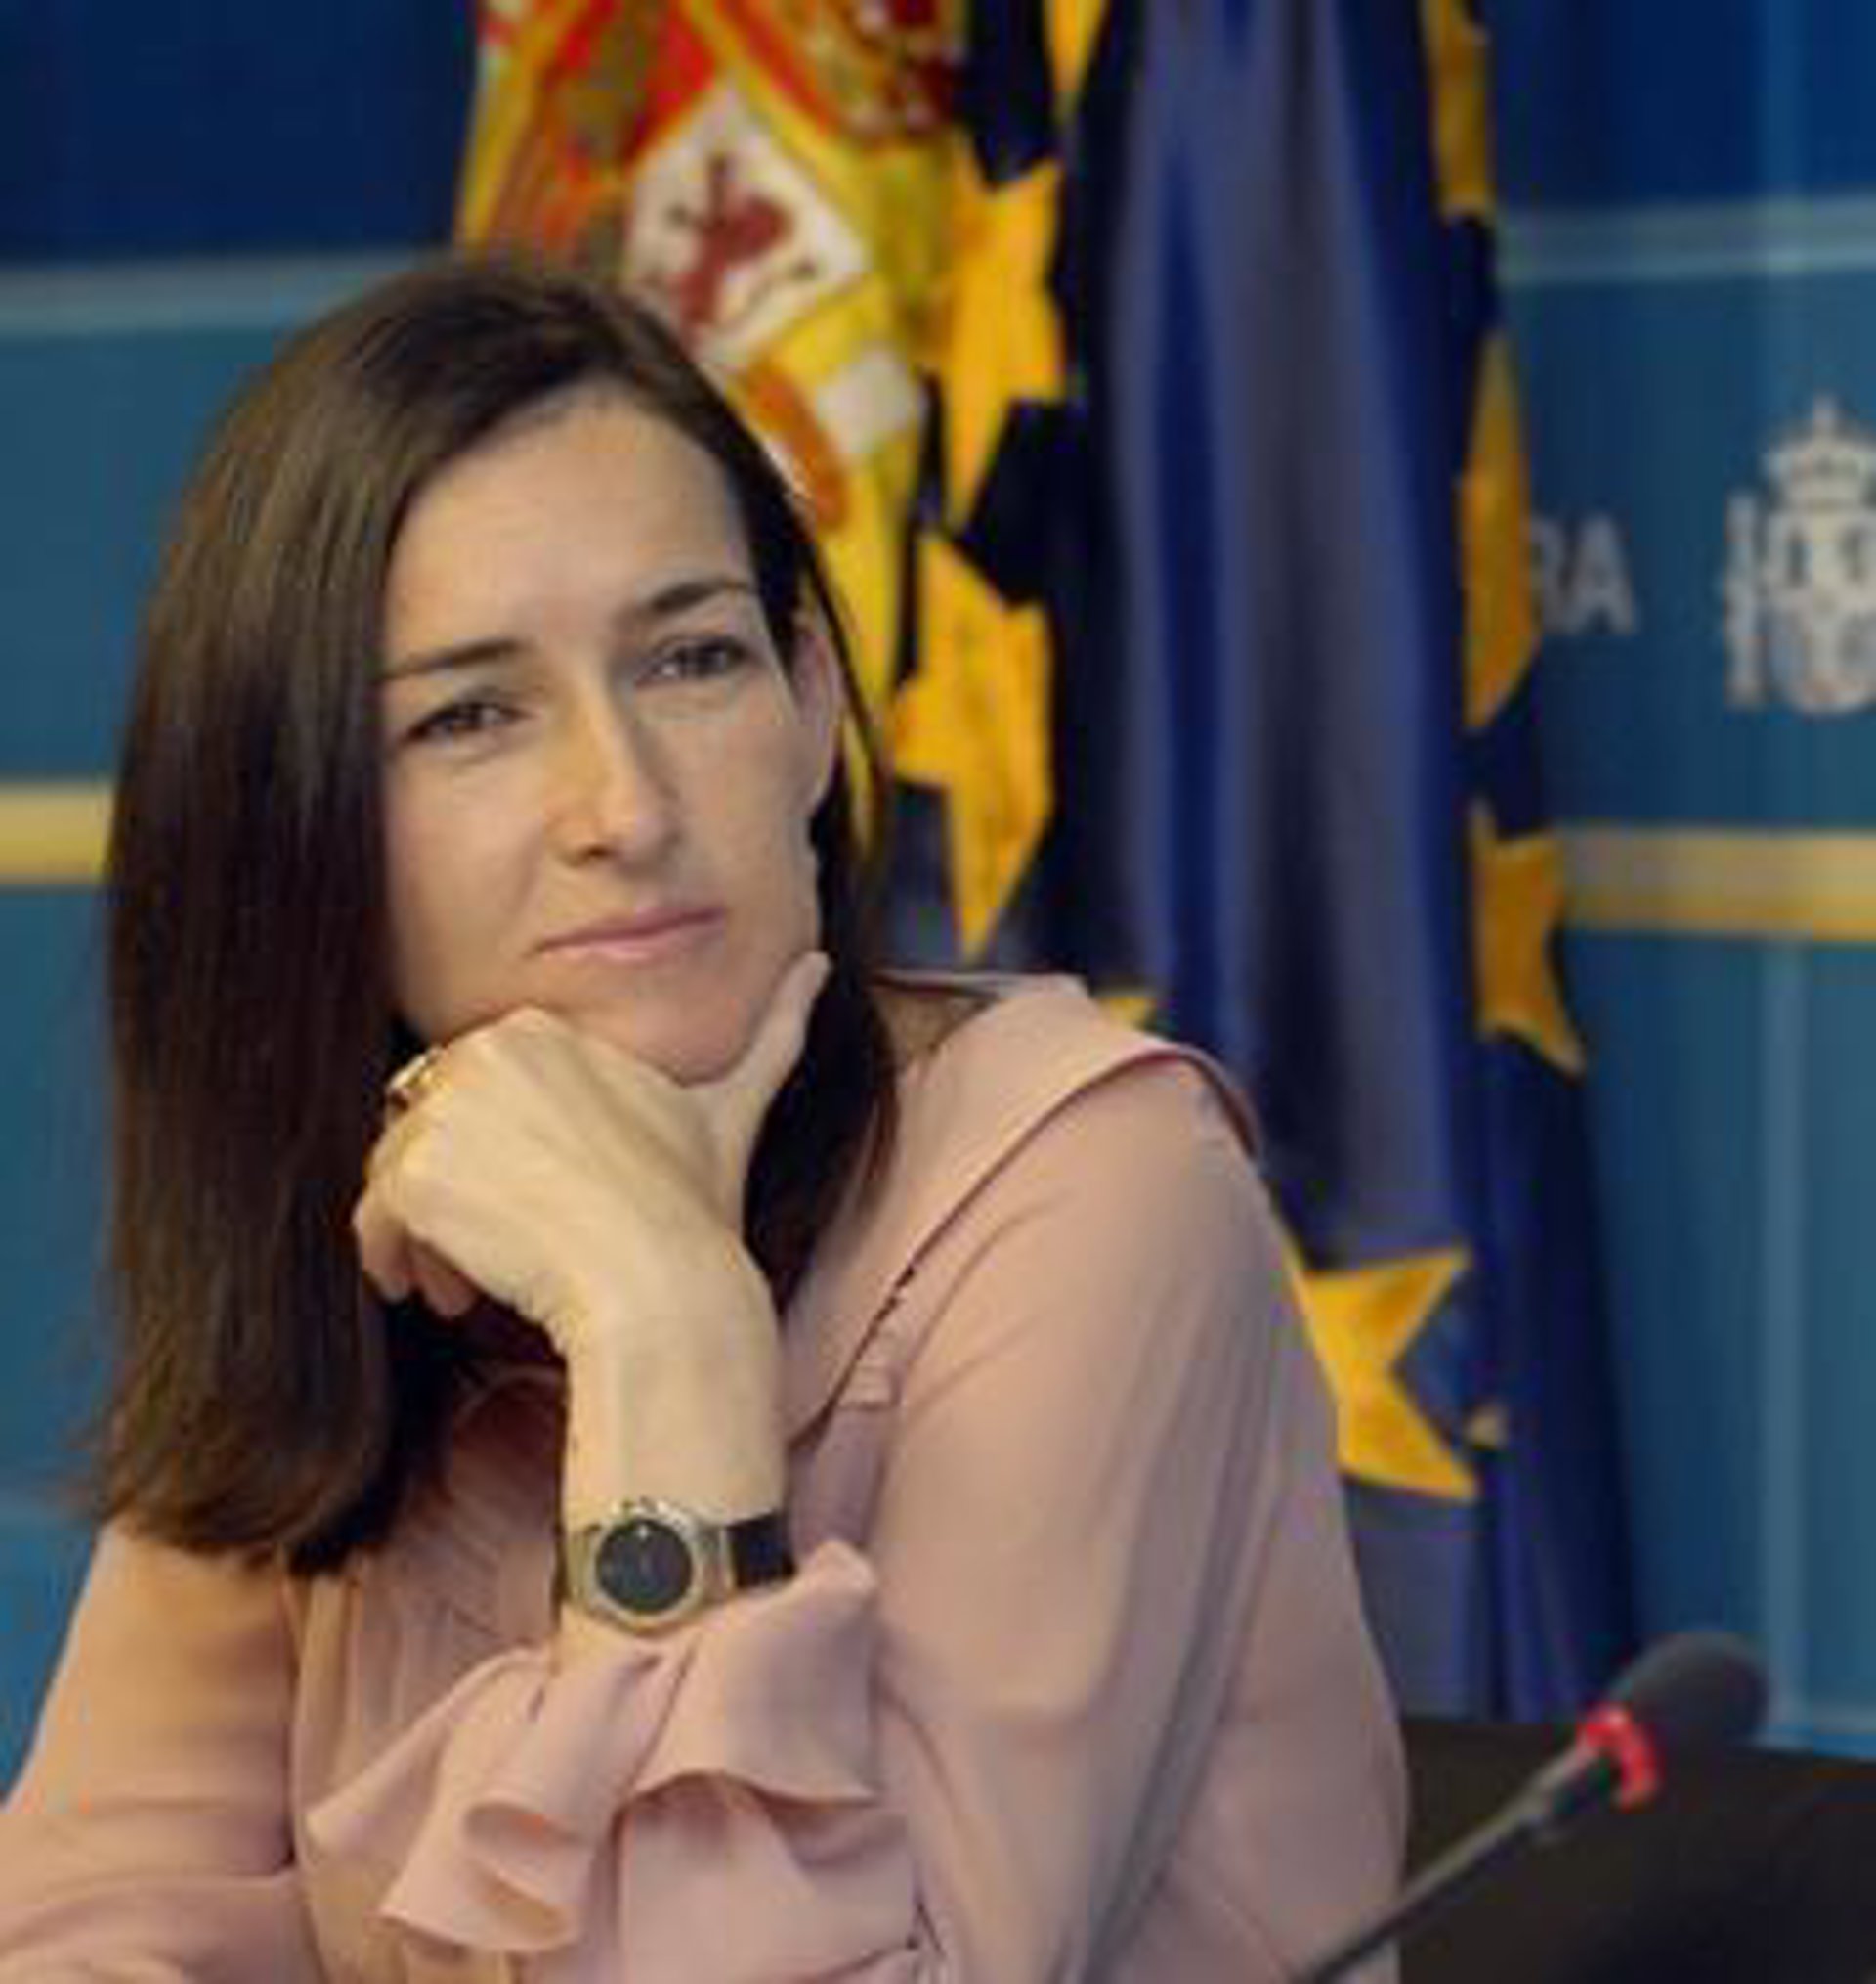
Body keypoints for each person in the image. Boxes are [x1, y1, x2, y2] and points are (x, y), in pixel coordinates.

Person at [0, 253, 1402, 1980]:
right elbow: (88, 1929)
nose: (626, 804)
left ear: (811, 707)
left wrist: (664, 1325)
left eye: (691, 659)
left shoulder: (1098, 1188)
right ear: (298, 816)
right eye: (472, 713)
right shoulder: (358, 1204)